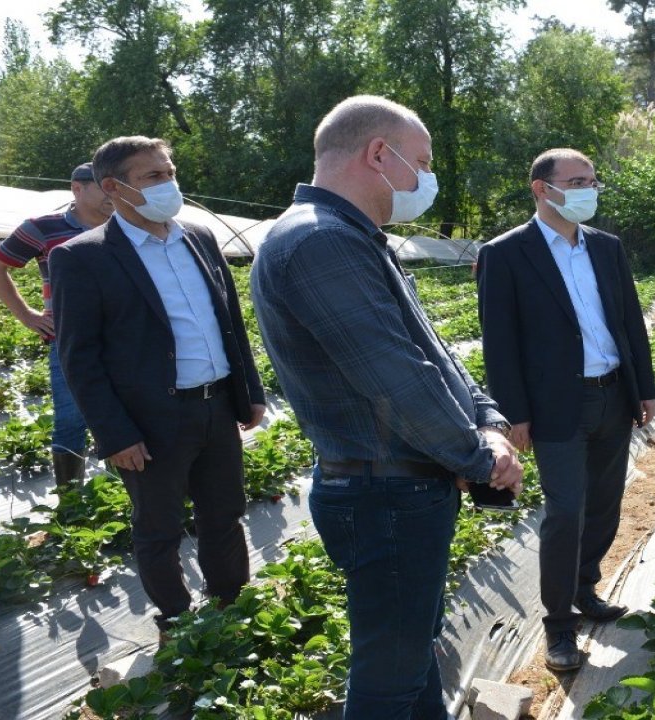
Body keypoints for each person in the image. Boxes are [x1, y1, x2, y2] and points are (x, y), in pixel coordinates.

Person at [250, 95, 523, 719]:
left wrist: (488, 420)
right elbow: (393, 379)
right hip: (386, 496)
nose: (425, 179)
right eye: (421, 163)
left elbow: (432, 353)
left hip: (398, 487)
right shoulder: (320, 243)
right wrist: (478, 456)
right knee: (387, 683)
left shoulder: (353, 238)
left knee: (409, 660)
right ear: (379, 154)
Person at [50, 137, 267, 634]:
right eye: (153, 177)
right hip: (148, 422)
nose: (169, 184)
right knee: (159, 528)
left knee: (225, 516)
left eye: (170, 172)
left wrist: (248, 391)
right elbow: (78, 358)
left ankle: (230, 609)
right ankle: (176, 619)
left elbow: (229, 320)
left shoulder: (198, 237)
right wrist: (115, 435)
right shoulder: (82, 258)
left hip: (215, 407)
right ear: (114, 188)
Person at [476, 148, 655, 672]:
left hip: (612, 393)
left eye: (593, 180)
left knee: (604, 502)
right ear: (541, 189)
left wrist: (642, 388)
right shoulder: (507, 253)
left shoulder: (606, 247)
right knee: (564, 512)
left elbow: (629, 322)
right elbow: (500, 342)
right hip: (556, 404)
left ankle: (585, 589)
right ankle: (559, 626)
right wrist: (515, 416)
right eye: (577, 181)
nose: (589, 189)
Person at [0, 163, 111, 485]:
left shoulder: (126, 225)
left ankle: (124, 502)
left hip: (124, 339)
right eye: (103, 185)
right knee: (71, 419)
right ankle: (72, 510)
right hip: (70, 340)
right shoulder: (44, 228)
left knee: (121, 416)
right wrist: (28, 316)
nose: (113, 193)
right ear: (77, 189)